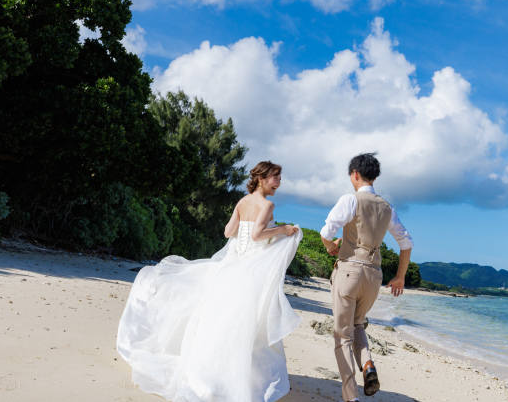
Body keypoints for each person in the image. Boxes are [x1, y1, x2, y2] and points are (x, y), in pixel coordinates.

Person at [117, 161, 301, 402]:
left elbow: (227, 232)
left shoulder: (242, 202)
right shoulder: (267, 205)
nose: (278, 182)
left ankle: (210, 372)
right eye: (275, 177)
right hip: (247, 271)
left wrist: (251, 231)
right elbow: (257, 235)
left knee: (217, 321)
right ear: (261, 178)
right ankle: (234, 376)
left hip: (228, 267)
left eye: (279, 178)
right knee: (244, 325)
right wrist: (282, 229)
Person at [320, 153, 414, 402]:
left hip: (349, 270)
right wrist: (400, 277)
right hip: (374, 275)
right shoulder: (387, 207)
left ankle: (351, 397)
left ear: (355, 174)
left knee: (342, 336)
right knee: (358, 324)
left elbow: (326, 231)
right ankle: (368, 364)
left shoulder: (350, 200)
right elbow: (407, 243)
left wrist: (331, 246)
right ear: (375, 175)